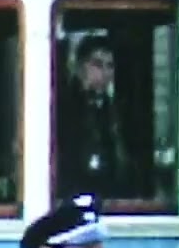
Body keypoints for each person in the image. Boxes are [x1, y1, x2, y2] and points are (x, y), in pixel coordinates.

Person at [57, 33, 133, 201]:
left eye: (110, 66)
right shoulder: (63, 108)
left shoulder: (115, 110)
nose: (105, 73)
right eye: (97, 65)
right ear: (79, 67)